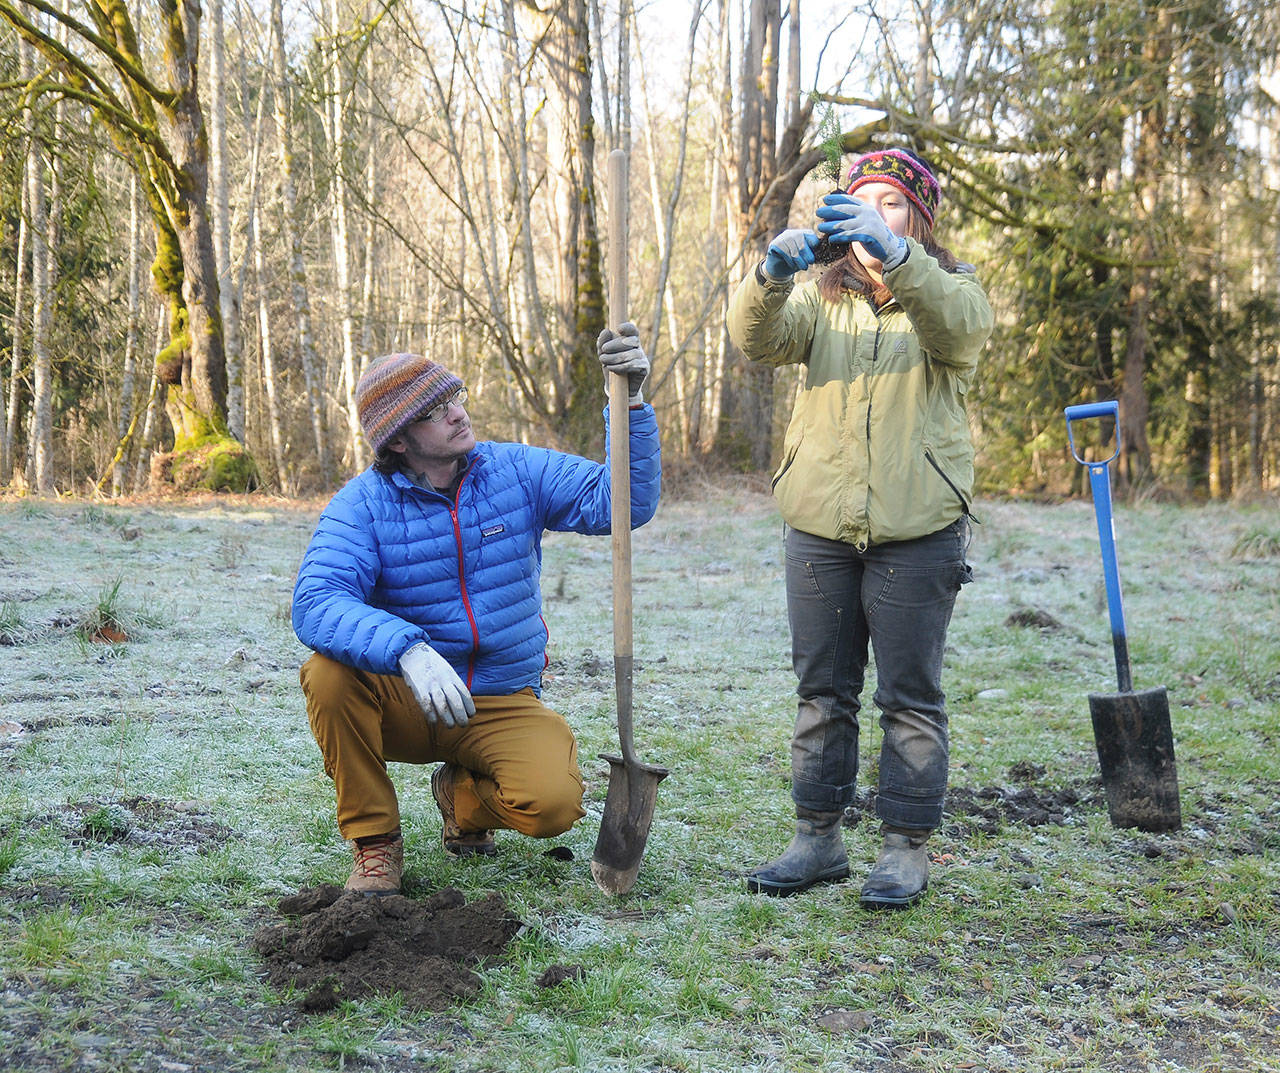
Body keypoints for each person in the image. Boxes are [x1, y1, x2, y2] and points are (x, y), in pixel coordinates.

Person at [292, 326, 660, 894]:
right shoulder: (361, 506)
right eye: (435, 412)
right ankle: (375, 846)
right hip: (405, 698)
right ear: (396, 441)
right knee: (328, 674)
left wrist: (628, 400)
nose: (458, 414)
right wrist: (407, 650)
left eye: (455, 398)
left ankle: (461, 798)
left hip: (498, 696)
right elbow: (317, 602)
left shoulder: (515, 471)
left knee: (554, 805)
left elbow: (621, 505)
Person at [727, 147, 993, 907]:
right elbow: (754, 341)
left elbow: (963, 332)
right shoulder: (820, 299)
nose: (877, 214)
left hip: (918, 531)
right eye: (864, 202)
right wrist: (770, 274)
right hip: (819, 529)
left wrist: (898, 256)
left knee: (909, 696)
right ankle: (817, 837)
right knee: (821, 691)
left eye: (895, 204)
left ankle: (906, 848)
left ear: (918, 219)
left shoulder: (951, 291)